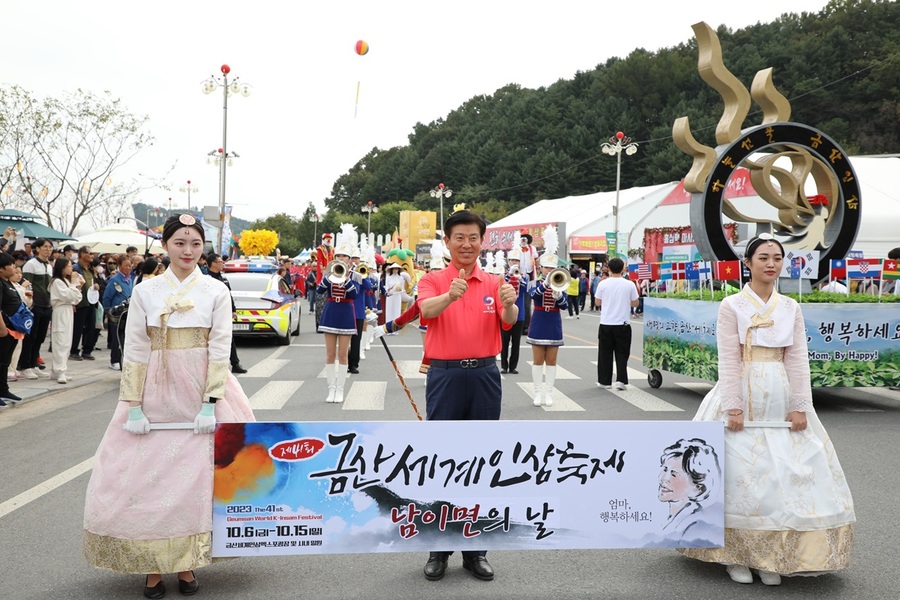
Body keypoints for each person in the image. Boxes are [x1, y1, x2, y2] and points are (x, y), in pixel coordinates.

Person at [83, 214, 256, 598]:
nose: (188, 251)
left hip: (200, 389)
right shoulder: (146, 292)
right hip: (156, 390)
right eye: (180, 243)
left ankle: (187, 565)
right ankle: (152, 567)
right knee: (147, 477)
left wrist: (211, 403)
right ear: (166, 246)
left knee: (197, 478)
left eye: (195, 243)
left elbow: (219, 348)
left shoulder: (215, 291)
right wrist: (133, 405)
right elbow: (137, 351)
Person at [680, 234, 855, 586]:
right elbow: (728, 359)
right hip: (741, 389)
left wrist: (801, 405)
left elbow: (799, 360)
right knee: (740, 473)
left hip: (779, 389)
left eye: (777, 257)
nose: (771, 264)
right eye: (763, 257)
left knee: (785, 472)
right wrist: (732, 406)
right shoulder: (731, 305)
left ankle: (772, 555)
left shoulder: (790, 307)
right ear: (748, 263)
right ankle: (736, 556)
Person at [417, 209, 517, 583]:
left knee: (482, 461)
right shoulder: (432, 279)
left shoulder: (493, 281)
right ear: (447, 241)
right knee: (442, 460)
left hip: (486, 375)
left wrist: (508, 302)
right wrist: (450, 295)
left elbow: (509, 319)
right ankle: (438, 550)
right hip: (446, 375)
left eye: (473, 237)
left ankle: (476, 551)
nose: (466, 244)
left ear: (481, 241)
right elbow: (426, 310)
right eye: (459, 237)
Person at [317, 225, 359, 403]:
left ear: (349, 259)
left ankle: (340, 389)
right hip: (331, 312)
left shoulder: (355, 275)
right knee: (329, 354)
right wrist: (328, 277)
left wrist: (346, 279)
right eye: (339, 256)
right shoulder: (329, 272)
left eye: (344, 256)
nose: (341, 258)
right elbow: (319, 291)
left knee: (343, 354)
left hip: (346, 314)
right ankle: (331, 388)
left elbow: (355, 294)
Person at [526, 228, 567, 407]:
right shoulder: (535, 282)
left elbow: (565, 306)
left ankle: (548, 393)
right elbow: (534, 296)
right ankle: (537, 393)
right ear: (540, 268)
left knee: (551, 360)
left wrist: (559, 295)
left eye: (552, 267)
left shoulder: (561, 282)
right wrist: (545, 285)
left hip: (554, 322)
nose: (549, 270)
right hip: (539, 321)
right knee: (537, 360)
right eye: (546, 267)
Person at [658, 439, 721, 540]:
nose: (663, 478)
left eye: (674, 474)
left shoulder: (694, 526)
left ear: (698, 487)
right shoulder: (666, 519)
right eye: (665, 469)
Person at [594, 257, 639, 390]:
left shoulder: (603, 284)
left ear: (608, 268)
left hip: (606, 322)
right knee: (622, 353)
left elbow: (597, 302)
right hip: (623, 323)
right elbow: (636, 302)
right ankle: (621, 380)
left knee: (605, 353)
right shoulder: (629, 284)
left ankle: (605, 381)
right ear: (623, 269)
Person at [18, 238, 53, 380]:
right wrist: (31, 304)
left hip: (47, 305)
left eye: (50, 247)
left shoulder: (49, 266)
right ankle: (25, 365)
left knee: (40, 337)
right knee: (30, 337)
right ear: (37, 249)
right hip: (35, 306)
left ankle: (33, 364)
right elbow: (26, 285)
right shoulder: (30, 264)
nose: (48, 249)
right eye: (45, 246)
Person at [206, 252, 247, 374]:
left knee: (228, 338)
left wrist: (233, 310)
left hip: (224, 313)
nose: (222, 264)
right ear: (213, 264)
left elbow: (228, 295)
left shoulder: (223, 278)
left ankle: (235, 363)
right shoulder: (207, 279)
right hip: (211, 314)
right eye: (220, 262)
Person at [49, 257, 84, 384]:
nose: (71, 269)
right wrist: (74, 285)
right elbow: (68, 296)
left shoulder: (66, 281)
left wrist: (76, 286)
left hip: (68, 310)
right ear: (62, 267)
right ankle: (60, 371)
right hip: (60, 311)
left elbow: (76, 298)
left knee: (67, 340)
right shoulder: (57, 281)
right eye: (69, 266)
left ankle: (57, 370)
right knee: (61, 340)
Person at [102, 254, 134, 371]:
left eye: (130, 266)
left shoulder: (130, 279)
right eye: (126, 266)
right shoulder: (115, 280)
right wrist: (107, 312)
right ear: (119, 266)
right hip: (116, 313)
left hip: (127, 313)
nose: (128, 268)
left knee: (124, 338)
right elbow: (107, 297)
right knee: (116, 338)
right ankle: (114, 360)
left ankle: (122, 359)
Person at [0, 253, 24, 407]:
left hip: (14, 328)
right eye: (11, 265)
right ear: (1, 269)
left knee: (5, 362)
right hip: (5, 329)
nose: (14, 268)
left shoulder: (8, 282)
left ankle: (3, 390)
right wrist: (2, 328)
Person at [500, 247, 528, 375]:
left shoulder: (524, 277)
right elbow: (500, 287)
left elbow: (525, 289)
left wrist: (519, 278)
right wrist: (509, 275)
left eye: (517, 260)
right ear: (508, 261)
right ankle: (504, 366)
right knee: (504, 341)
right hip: (506, 311)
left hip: (519, 313)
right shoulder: (504, 275)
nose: (514, 262)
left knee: (516, 342)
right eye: (512, 260)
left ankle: (513, 366)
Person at [71, 246, 100, 362]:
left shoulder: (91, 269)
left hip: (91, 301)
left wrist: (98, 285)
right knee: (77, 328)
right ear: (82, 254)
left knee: (91, 327)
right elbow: (73, 285)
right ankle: (73, 350)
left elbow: (95, 283)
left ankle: (87, 350)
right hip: (80, 302)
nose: (92, 256)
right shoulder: (76, 268)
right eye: (89, 253)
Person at [8, 265, 32, 382]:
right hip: (12, 318)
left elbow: (26, 303)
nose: (19, 275)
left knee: (19, 345)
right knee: (11, 345)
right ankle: (9, 369)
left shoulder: (18, 286)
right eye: (16, 272)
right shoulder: (8, 286)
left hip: (20, 319)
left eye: (20, 273)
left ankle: (14, 367)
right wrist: (23, 289)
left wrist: (29, 297)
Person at [314, 232, 335, 329]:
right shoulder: (320, 249)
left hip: (332, 276)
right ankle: (319, 324)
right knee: (320, 303)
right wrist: (323, 271)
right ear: (323, 239)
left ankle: (328, 323)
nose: (328, 240)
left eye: (330, 238)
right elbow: (320, 261)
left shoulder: (332, 249)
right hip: (322, 277)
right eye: (327, 238)